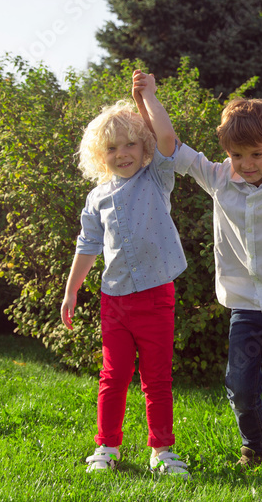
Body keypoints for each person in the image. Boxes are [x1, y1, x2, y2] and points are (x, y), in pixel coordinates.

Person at [133, 71, 262, 479]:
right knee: (240, 384)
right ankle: (254, 449)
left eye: (257, 155)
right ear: (227, 153)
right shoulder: (217, 179)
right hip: (245, 306)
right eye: (237, 156)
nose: (247, 165)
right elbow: (169, 145)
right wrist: (149, 98)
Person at [60, 82, 190, 477]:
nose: (122, 154)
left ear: (143, 148)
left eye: (129, 145)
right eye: (112, 148)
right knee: (113, 376)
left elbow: (167, 137)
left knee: (156, 377)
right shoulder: (97, 197)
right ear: (101, 156)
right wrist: (71, 290)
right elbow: (88, 245)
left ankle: (162, 451)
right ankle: (107, 447)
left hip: (155, 296)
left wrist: (144, 98)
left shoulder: (156, 178)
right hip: (114, 300)